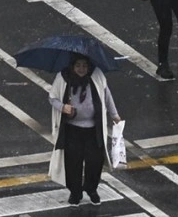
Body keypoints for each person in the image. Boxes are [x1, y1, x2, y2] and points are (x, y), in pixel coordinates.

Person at [48, 53, 122, 206]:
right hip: (72, 130)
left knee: (95, 161)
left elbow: (107, 95)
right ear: (72, 66)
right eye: (78, 66)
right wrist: (63, 107)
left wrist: (115, 115)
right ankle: (75, 193)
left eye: (84, 65)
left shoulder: (97, 76)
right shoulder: (63, 77)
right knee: (73, 163)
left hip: (93, 129)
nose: (81, 69)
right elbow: (52, 98)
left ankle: (91, 188)